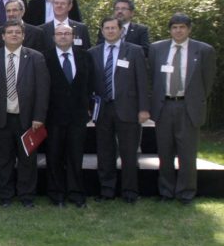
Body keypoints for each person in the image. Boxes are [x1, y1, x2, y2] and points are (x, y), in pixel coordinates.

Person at [149, 13, 217, 204]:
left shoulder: (203, 50)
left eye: (182, 27)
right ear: (169, 30)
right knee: (164, 152)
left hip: (188, 106)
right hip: (164, 106)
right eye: (174, 27)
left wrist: (195, 101)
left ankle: (186, 192)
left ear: (189, 29)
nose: (178, 31)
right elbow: (153, 77)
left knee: (187, 153)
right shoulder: (157, 49)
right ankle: (166, 192)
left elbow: (207, 81)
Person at [0, 19, 49, 208]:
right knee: (3, 160)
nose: (14, 35)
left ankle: (26, 196)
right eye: (10, 32)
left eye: (17, 32)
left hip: (27, 119)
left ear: (23, 36)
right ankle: (5, 196)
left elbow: (43, 89)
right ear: (3, 36)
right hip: (1, 118)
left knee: (28, 160)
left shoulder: (36, 57)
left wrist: (39, 116)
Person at [90, 16, 149, 203]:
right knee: (105, 152)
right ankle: (107, 191)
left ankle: (130, 192)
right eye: (106, 28)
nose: (110, 31)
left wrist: (144, 109)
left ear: (121, 30)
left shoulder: (135, 51)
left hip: (128, 109)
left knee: (129, 153)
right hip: (103, 110)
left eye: (113, 28)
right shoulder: (93, 53)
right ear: (101, 30)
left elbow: (143, 81)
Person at [44, 23, 93, 208]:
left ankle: (76, 193)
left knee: (75, 156)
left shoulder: (84, 56)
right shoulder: (45, 57)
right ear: (54, 37)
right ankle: (56, 194)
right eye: (59, 33)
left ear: (73, 36)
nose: (63, 36)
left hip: (78, 116)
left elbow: (90, 84)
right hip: (53, 115)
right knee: (54, 155)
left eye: (67, 33)